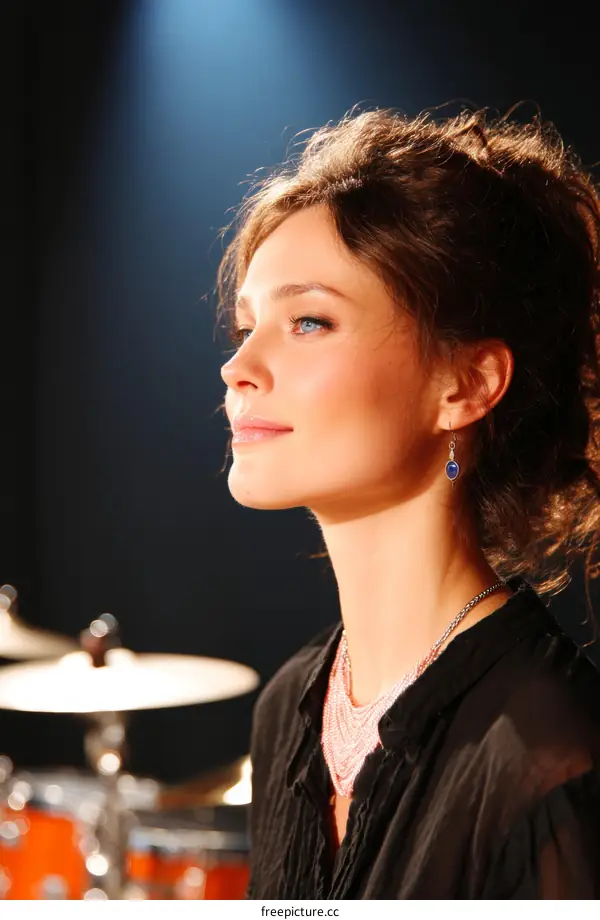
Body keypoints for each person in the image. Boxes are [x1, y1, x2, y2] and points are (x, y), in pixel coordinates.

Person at [217, 105, 600, 898]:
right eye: (246, 326)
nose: (239, 367)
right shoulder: (290, 704)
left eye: (309, 321)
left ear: (465, 385)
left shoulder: (551, 751)